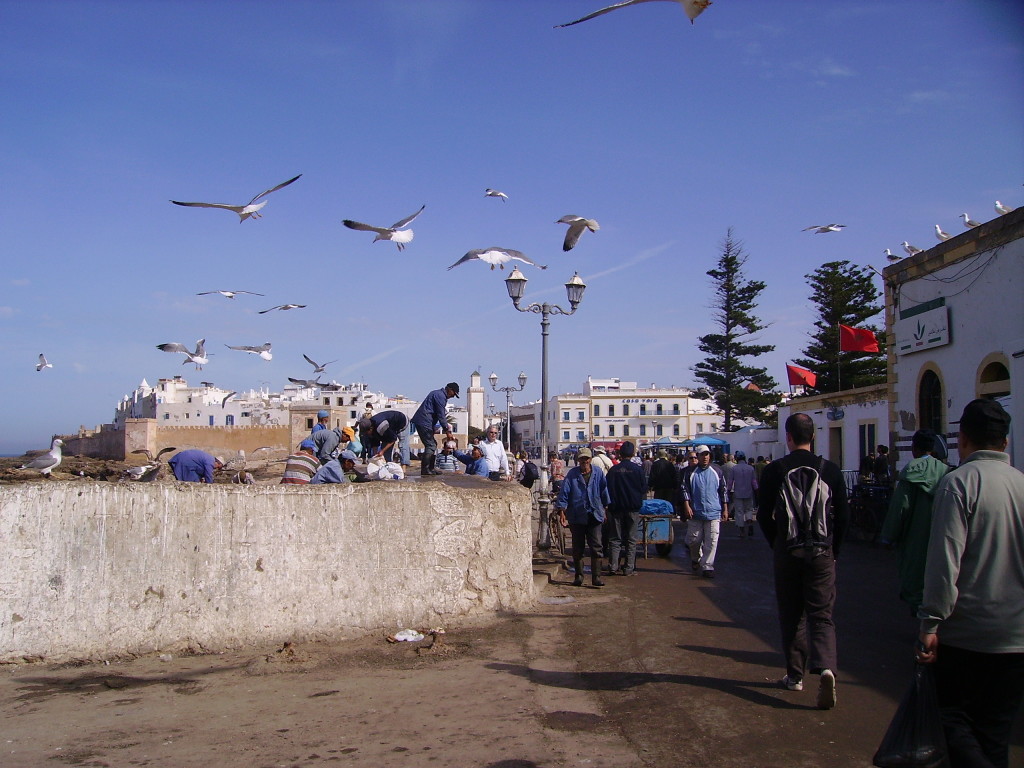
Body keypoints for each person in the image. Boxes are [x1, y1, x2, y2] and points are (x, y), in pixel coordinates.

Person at [915, 399, 1024, 768]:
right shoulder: (1022, 485)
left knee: (953, 721)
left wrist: (931, 622)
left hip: (967, 636)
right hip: (1016, 637)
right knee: (995, 734)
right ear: (1005, 443)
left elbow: (945, 562)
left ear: (962, 440)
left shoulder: (958, 484)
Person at [756, 412, 849, 710]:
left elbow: (763, 515)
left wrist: (777, 544)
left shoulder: (775, 470)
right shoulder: (830, 471)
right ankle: (825, 668)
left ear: (789, 437)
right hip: (822, 551)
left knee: (792, 614)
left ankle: (795, 675)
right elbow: (844, 516)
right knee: (822, 614)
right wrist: (835, 549)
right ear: (814, 436)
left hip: (788, 550)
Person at [880, 429, 949, 612]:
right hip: (939, 534)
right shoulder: (945, 472)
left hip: (914, 536)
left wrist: (888, 536)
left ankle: (921, 620)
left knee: (914, 576)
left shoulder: (910, 473)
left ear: (915, 448)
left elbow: (899, 508)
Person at [555, 448, 611, 588]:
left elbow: (604, 492)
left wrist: (605, 509)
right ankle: (579, 576)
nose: (584, 462)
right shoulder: (572, 474)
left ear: (590, 459)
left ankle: (596, 577)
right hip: (577, 515)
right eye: (581, 459)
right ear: (578, 460)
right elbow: (564, 492)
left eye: (586, 459)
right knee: (577, 548)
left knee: (596, 547)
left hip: (594, 514)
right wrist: (562, 511)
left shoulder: (598, 473)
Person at [679, 445, 727, 578]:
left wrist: (725, 508)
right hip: (696, 512)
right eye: (702, 454)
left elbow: (723, 490)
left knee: (711, 540)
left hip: (713, 512)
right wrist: (687, 506)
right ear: (698, 457)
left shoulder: (717, 471)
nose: (705, 457)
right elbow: (685, 490)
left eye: (707, 454)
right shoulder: (690, 473)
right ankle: (695, 558)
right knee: (694, 540)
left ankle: (708, 566)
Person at [605, 441, 647, 576]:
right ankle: (629, 568)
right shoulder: (637, 470)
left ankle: (613, 566)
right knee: (631, 539)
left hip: (616, 509)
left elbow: (606, 489)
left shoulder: (613, 470)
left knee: (615, 539)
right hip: (633, 509)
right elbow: (644, 489)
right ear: (633, 454)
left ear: (620, 454)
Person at [411, 382, 458, 476]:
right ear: (450, 390)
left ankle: (430, 468)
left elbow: (434, 413)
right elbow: (441, 415)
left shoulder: (436, 393)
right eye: (454, 394)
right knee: (431, 445)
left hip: (424, 422)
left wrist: (432, 428)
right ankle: (425, 470)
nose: (453, 396)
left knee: (433, 444)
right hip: (424, 422)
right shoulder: (441, 396)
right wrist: (447, 431)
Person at [728, 450, 758, 539]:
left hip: (738, 493)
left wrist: (728, 491)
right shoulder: (751, 468)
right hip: (749, 492)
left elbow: (730, 482)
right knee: (749, 510)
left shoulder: (734, 468)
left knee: (739, 512)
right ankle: (749, 523)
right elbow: (754, 481)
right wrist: (757, 490)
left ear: (737, 458)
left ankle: (742, 532)